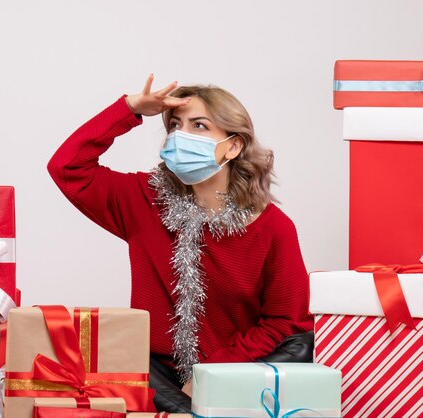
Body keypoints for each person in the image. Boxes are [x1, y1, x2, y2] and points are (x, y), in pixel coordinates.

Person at [48, 75, 313, 412]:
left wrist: (212, 371)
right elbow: (67, 168)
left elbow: (286, 322)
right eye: (175, 125)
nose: (182, 135)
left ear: (233, 146)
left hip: (235, 373)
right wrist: (129, 109)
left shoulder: (274, 227)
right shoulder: (142, 200)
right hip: (152, 377)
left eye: (199, 125)